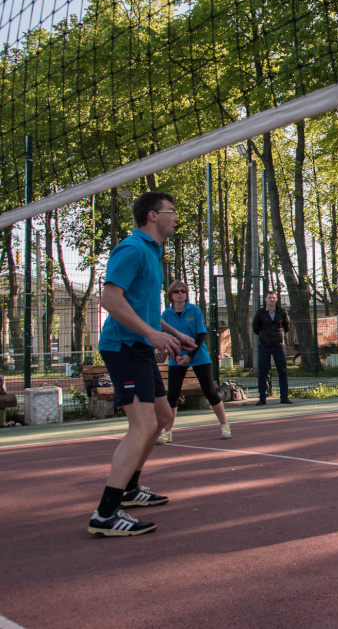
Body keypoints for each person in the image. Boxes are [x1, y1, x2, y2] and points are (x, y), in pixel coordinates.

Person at [88, 191, 197, 537]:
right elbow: (109, 298)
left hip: (140, 346)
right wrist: (151, 334)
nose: (176, 217)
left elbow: (143, 310)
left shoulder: (154, 251)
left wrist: (173, 334)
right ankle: (105, 513)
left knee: (163, 418)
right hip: (123, 347)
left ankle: (130, 489)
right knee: (143, 424)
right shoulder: (132, 249)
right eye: (171, 211)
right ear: (153, 215)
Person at [159, 280, 231, 443]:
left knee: (210, 391)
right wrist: (175, 354)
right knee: (172, 394)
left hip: (198, 356)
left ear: (186, 294)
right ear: (171, 295)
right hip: (177, 357)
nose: (180, 294)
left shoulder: (195, 310)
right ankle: (167, 432)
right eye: (176, 291)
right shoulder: (166, 315)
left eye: (183, 291)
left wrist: (189, 356)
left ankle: (225, 425)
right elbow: (165, 336)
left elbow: (200, 335)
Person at [252, 290, 292, 405]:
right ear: (265, 299)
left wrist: (279, 337)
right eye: (269, 298)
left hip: (279, 346)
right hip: (264, 346)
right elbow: (256, 328)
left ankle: (284, 397)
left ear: (276, 299)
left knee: (282, 372)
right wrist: (264, 337)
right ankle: (262, 398)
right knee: (262, 373)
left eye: (273, 298)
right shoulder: (260, 313)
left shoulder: (282, 312)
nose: (271, 300)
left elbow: (287, 327)